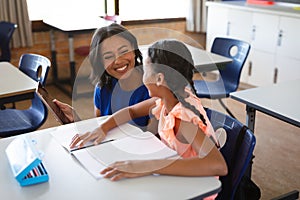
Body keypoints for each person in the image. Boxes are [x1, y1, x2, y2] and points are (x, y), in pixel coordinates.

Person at [69, 39, 228, 195]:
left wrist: (147, 166)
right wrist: (103, 128)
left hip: (195, 189)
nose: (142, 75)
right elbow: (131, 111)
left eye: (145, 71)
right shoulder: (166, 99)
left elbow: (218, 165)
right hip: (175, 174)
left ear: (159, 79)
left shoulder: (182, 118)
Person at [54, 23, 151, 129]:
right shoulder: (102, 88)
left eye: (124, 51)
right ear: (100, 62)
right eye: (108, 56)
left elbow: (154, 139)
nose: (118, 60)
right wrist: (76, 121)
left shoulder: (154, 87)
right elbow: (100, 130)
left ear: (134, 50)